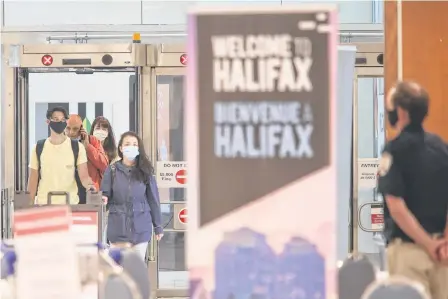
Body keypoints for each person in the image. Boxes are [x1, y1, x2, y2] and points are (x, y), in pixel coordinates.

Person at [378, 81, 448, 299]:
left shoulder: (394, 150)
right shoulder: (441, 147)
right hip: (442, 253)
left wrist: (427, 244)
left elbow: (396, 207)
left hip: (409, 251)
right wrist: (441, 242)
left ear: (400, 111)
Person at [101, 131, 163, 261]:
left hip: (141, 228)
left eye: (135, 144)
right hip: (117, 228)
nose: (131, 147)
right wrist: (104, 198)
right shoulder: (112, 170)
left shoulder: (145, 171)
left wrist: (158, 226)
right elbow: (105, 193)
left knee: (136, 270)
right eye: (127, 144)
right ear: (121, 148)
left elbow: (153, 200)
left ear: (139, 148)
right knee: (117, 271)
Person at [27, 107, 95, 205]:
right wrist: (28, 206)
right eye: (56, 119)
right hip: (44, 205)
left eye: (63, 120)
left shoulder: (76, 147)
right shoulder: (38, 148)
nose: (59, 122)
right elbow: (32, 180)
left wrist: (90, 186)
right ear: (48, 121)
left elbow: (84, 176)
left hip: (70, 205)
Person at [66, 114, 109, 203]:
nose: (71, 132)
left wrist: (87, 146)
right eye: (68, 128)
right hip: (68, 192)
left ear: (81, 128)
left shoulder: (93, 141)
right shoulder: (60, 143)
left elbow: (104, 165)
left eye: (75, 129)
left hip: (89, 190)